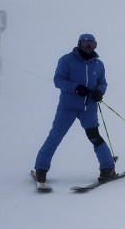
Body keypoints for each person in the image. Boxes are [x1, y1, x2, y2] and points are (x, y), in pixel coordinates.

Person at [33, 33, 117, 183]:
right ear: (79, 44)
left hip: (88, 108)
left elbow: (103, 83)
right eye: (86, 44)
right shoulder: (66, 60)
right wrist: (75, 88)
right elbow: (58, 80)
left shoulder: (98, 64)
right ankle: (41, 169)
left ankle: (108, 168)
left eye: (92, 44)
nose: (89, 47)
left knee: (95, 138)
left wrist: (99, 92)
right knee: (55, 137)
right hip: (68, 107)